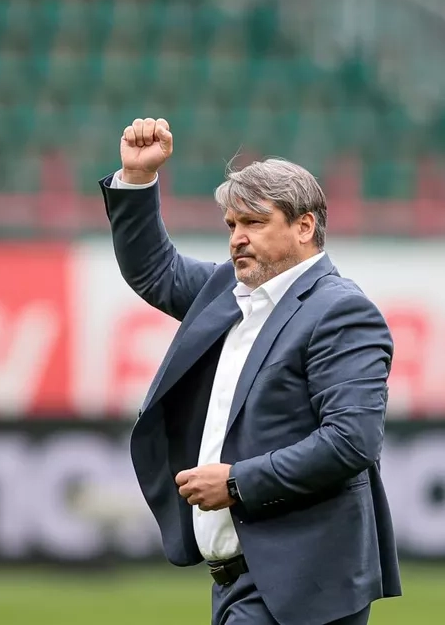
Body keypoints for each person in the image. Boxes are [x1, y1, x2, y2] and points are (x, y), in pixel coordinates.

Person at [99, 117, 401, 625]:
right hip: (240, 583)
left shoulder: (340, 310)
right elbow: (155, 269)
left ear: (304, 227)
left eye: (255, 223)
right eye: (232, 225)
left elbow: (352, 441)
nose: (237, 238)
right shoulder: (230, 293)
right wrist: (138, 178)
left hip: (304, 585)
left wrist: (237, 482)